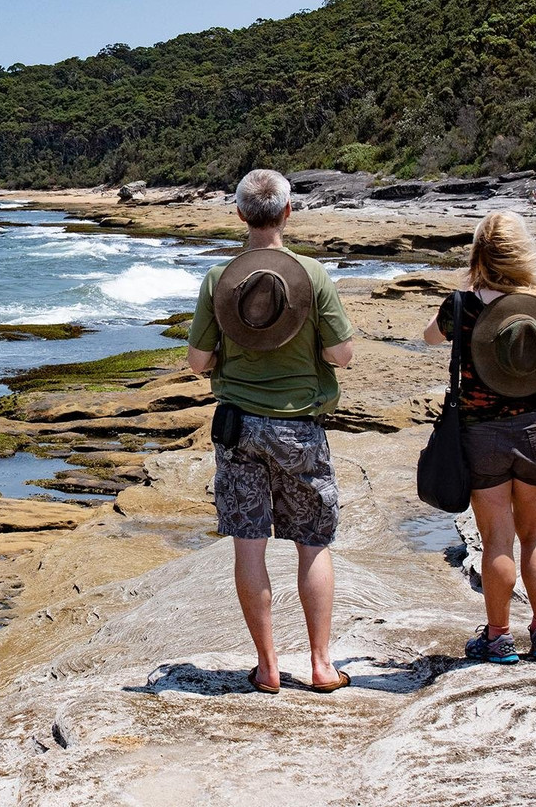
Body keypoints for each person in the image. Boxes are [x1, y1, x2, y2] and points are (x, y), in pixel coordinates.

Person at [188, 169, 355, 694]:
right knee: (312, 544)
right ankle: (322, 665)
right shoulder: (312, 275)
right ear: (287, 212)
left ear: (240, 214)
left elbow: (197, 361)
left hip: (239, 429)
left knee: (250, 545)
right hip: (301, 428)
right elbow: (342, 355)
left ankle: (266, 667)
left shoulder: (221, 279)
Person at [422, 210, 536, 663]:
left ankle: (499, 636)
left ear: (479, 252)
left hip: (481, 430)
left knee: (497, 540)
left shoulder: (463, 304)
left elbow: (431, 338)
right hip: (535, 425)